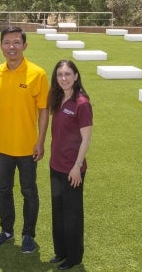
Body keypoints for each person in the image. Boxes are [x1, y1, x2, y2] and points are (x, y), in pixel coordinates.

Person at [0, 26, 49, 254]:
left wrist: (40, 141)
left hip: (27, 146)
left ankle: (28, 234)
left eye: (16, 42)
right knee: (4, 190)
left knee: (29, 191)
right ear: (1, 46)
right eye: (7, 43)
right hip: (2, 145)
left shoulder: (37, 74)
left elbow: (43, 111)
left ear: (24, 45)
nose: (11, 47)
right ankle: (7, 230)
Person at [47, 60, 93, 270]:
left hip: (72, 169)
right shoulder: (57, 98)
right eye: (59, 75)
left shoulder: (82, 103)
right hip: (55, 166)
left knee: (72, 215)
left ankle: (74, 257)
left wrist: (77, 166)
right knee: (58, 212)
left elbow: (86, 138)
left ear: (76, 76)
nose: (63, 78)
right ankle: (61, 252)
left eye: (67, 74)